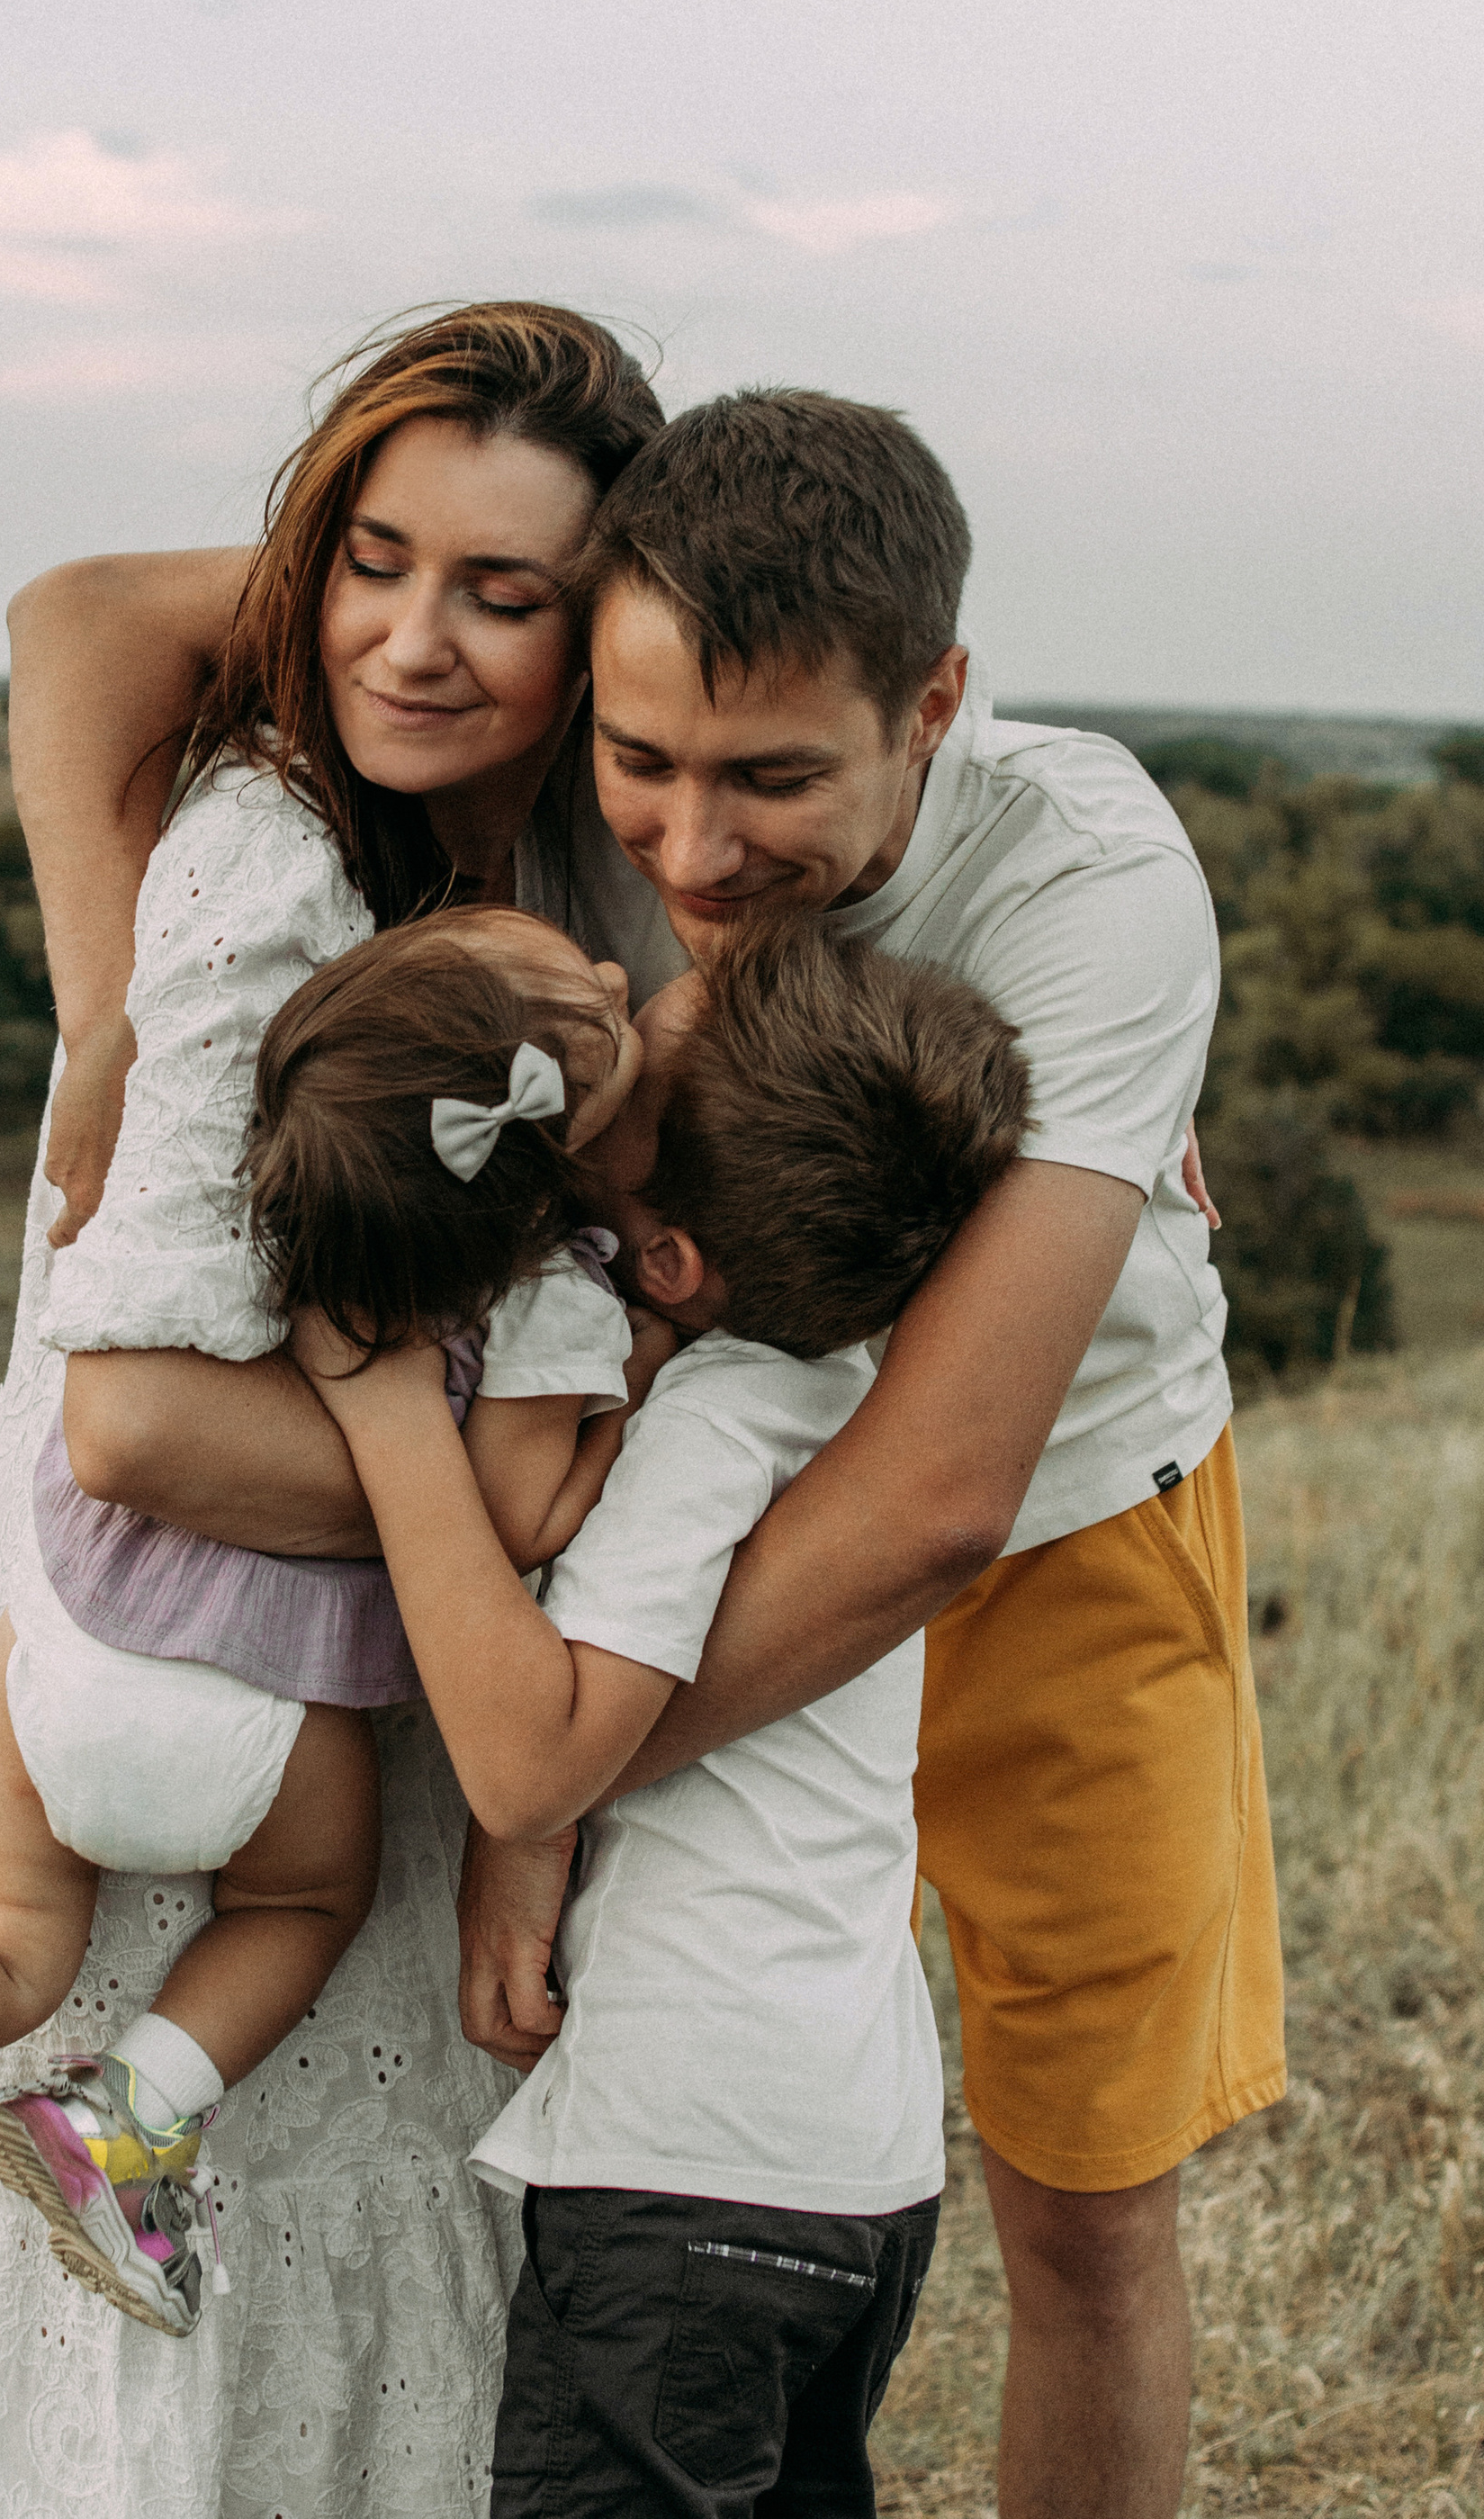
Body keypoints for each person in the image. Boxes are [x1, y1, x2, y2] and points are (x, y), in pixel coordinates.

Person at [23, 380, 1282, 2519]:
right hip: (649, 1536)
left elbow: (930, 1494)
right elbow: (85, 626)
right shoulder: (595, 654)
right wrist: (104, 1017)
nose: (688, 855)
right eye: (641, 770)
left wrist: (558, 1774)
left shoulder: (1090, 883)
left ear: (932, 700)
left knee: (1077, 2202)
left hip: (1052, 1537)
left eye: (776, 781)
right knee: (648, 2185)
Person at [0, 300, 670, 2519]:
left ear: (602, 619)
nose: (410, 639)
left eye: (499, 594)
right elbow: (136, 1426)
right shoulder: (268, 854)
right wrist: (104, 1002)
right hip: (152, 1613)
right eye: (373, 559)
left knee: (285, 2194)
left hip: (306, 1685)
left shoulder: (535, 888)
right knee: (68, 2198)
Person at [0, 906, 644, 2342]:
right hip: (265, 1715)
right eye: (591, 1004)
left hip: (67, 1638)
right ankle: (124, 2115)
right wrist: (620, 1431)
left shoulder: (282, 1190)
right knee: (301, 1906)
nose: (617, 982)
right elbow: (519, 1516)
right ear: (544, 1154)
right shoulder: (547, 1293)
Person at [303, 915, 1030, 2517]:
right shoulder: (857, 1395)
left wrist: (382, 1413)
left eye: (618, 1139)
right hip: (861, 2162)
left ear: (675, 1262)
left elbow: (525, 1752)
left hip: (684, 2164)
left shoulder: (713, 1424)